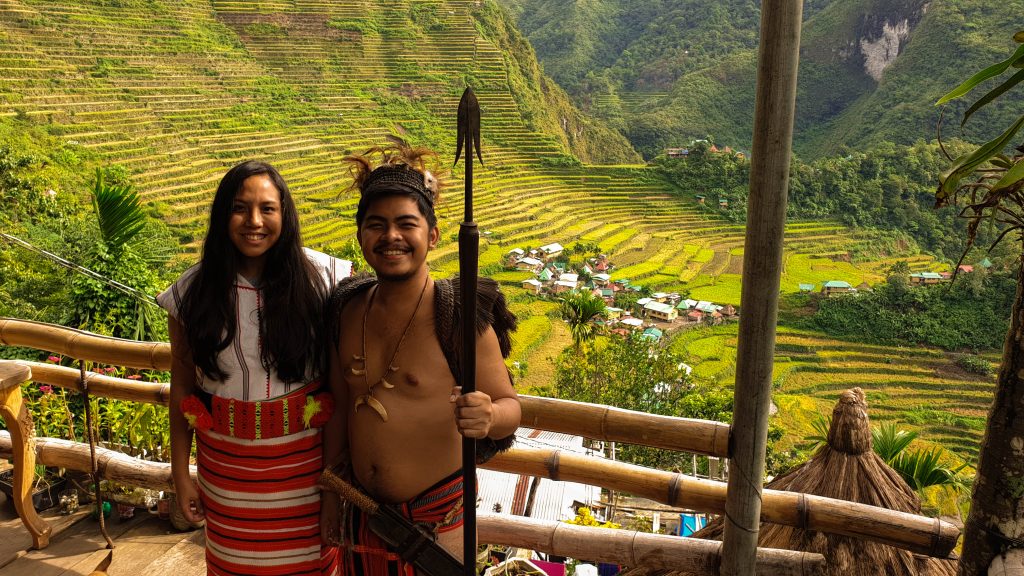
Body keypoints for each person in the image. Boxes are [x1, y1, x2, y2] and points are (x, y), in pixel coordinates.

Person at [321, 142, 521, 575]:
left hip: (438, 529)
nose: (390, 236)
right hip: (362, 516)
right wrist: (331, 497)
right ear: (360, 235)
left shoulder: (460, 313)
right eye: (376, 224)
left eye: (405, 224)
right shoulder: (345, 307)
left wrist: (488, 415)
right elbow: (338, 410)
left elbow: (510, 406)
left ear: (430, 235)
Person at [158, 160, 351, 576]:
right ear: (222, 214)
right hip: (225, 474)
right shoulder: (189, 294)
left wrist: (335, 487)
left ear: (286, 214)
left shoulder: (327, 280)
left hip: (305, 474)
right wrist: (180, 472)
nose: (254, 221)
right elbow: (183, 384)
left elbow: (339, 388)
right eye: (240, 208)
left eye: (267, 208)